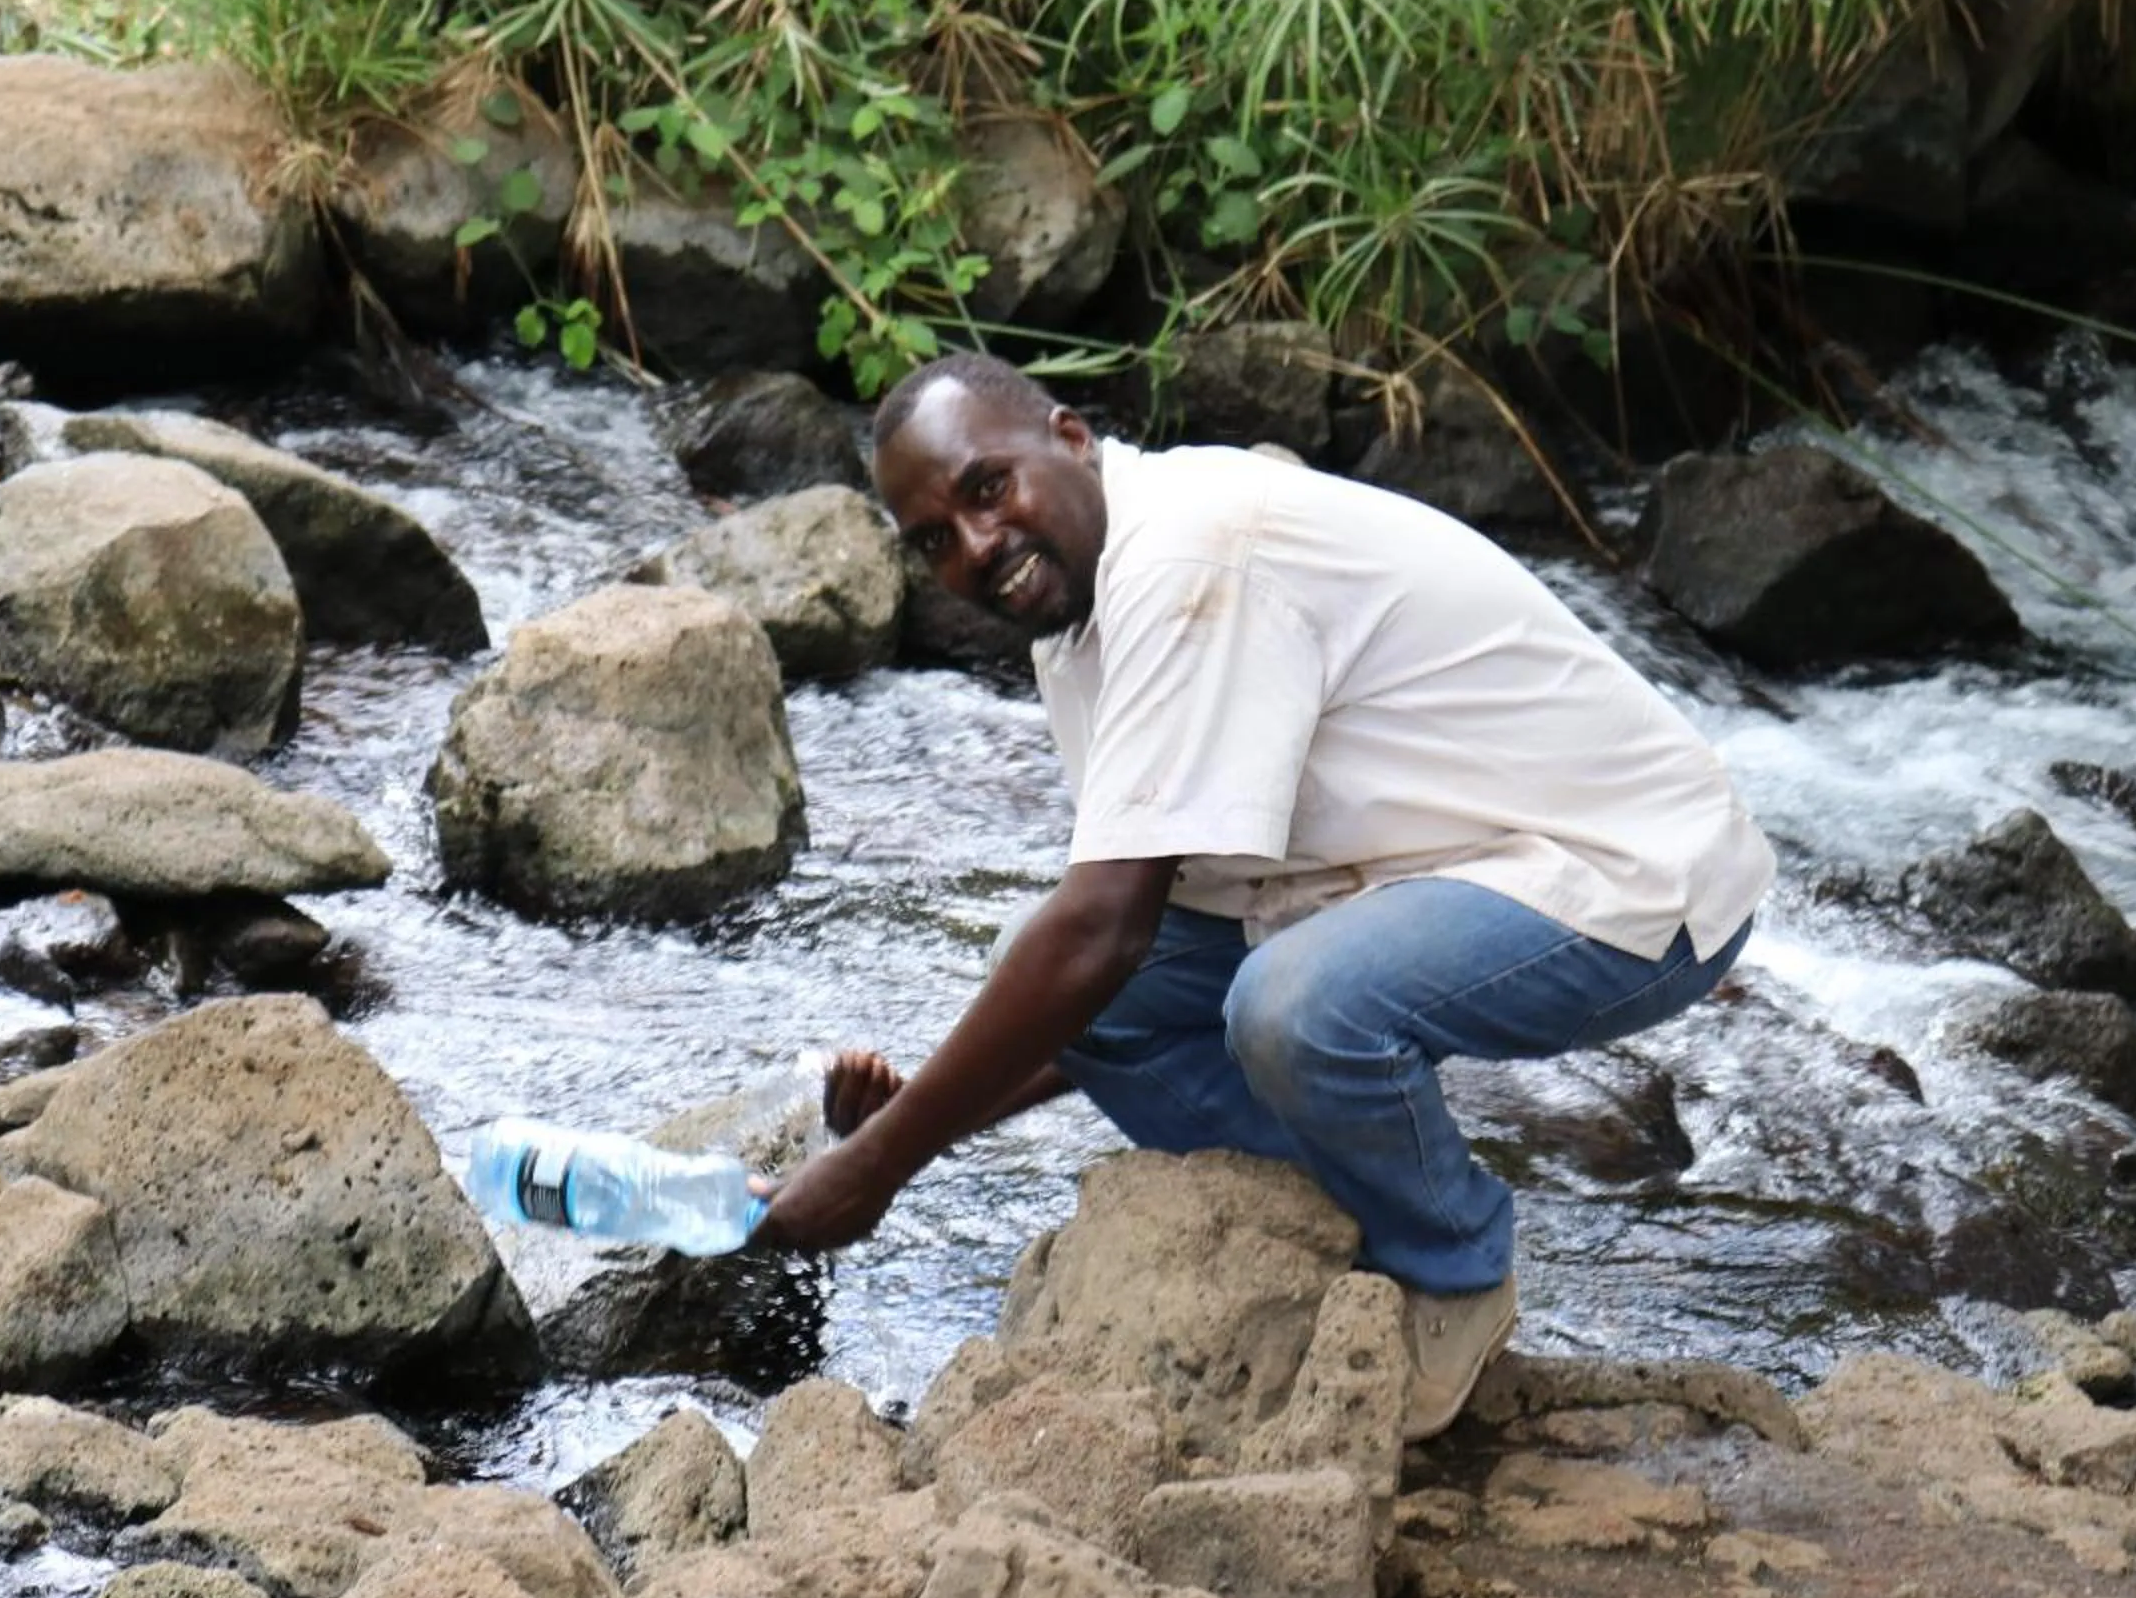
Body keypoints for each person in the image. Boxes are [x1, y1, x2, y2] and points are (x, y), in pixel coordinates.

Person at [754, 351, 1775, 1440]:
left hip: (1625, 870)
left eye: (987, 487)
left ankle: (1455, 1269)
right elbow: (1099, 979)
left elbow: (1104, 930)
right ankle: (1344, 1231)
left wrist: (884, 1161)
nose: (975, 545)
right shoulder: (1078, 610)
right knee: (1048, 963)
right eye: (933, 540)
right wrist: (923, 1117)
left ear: (1071, 438)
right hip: (1425, 864)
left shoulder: (1190, 556)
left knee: (1295, 1004)